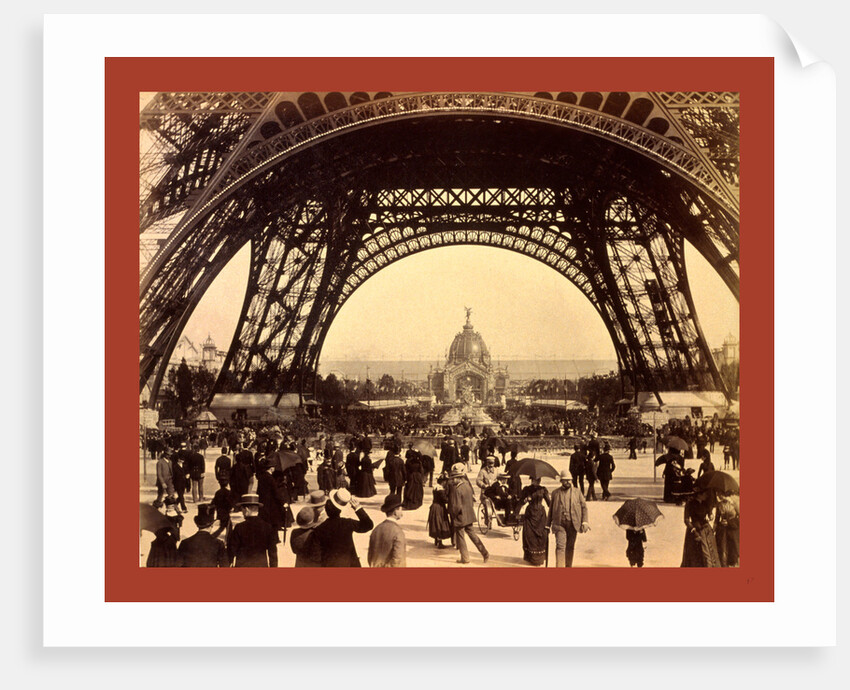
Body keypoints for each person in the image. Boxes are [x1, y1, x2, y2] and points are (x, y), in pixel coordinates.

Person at [306, 488, 374, 567]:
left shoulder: (319, 529)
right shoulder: (347, 523)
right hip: (349, 565)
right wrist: (358, 508)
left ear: (326, 511)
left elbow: (316, 555)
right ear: (340, 510)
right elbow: (368, 525)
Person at [447, 463, 489, 565]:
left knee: (460, 537)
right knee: (473, 535)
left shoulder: (457, 489)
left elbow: (455, 506)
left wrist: (452, 514)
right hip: (469, 515)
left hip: (460, 517)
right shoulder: (467, 486)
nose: (453, 480)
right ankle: (485, 553)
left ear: (458, 478)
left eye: (454, 478)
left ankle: (465, 558)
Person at [548, 469, 590, 567]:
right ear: (561, 481)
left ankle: (568, 567)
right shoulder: (555, 493)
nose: (568, 482)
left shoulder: (577, 492)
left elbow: (584, 507)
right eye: (565, 480)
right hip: (559, 524)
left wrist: (585, 522)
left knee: (570, 547)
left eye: (569, 480)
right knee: (560, 546)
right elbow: (551, 510)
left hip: (573, 524)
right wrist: (547, 524)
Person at [228, 493, 279, 567]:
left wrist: (229, 563)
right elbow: (273, 552)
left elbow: (232, 550)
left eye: (242, 509)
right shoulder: (268, 527)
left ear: (246, 509)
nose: (242, 512)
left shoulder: (239, 527)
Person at [681, 477, 720, 567]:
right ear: (699, 495)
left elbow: (708, 512)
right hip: (695, 530)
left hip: (706, 530)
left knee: (709, 553)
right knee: (696, 556)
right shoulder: (690, 504)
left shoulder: (706, 503)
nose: (706, 495)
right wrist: (693, 531)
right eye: (704, 493)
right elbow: (686, 520)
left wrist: (710, 514)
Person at [368, 494, 407, 567]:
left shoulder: (376, 529)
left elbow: (370, 557)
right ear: (395, 511)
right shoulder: (398, 532)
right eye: (401, 509)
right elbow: (398, 559)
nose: (402, 512)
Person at [522, 483, 549, 566]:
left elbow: (549, 502)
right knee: (529, 536)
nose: (536, 481)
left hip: (541, 515)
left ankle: (539, 559)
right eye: (534, 479)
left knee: (542, 536)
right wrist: (526, 499)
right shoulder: (527, 489)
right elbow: (521, 501)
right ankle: (531, 558)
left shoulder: (543, 489)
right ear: (531, 479)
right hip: (530, 515)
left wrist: (554, 513)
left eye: (538, 479)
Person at [427, 474, 453, 549]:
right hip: (439, 507)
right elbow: (445, 500)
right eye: (445, 481)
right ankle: (440, 542)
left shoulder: (436, 488)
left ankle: (436, 540)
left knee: (435, 523)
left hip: (434, 506)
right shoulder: (440, 490)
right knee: (440, 523)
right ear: (443, 482)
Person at [715, 492, 740, 567]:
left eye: (719, 494)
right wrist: (713, 529)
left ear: (724, 494)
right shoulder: (719, 505)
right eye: (717, 494)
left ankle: (733, 565)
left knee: (733, 549)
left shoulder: (734, 504)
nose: (718, 496)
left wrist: (729, 522)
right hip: (722, 530)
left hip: (733, 529)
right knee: (723, 549)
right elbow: (716, 519)